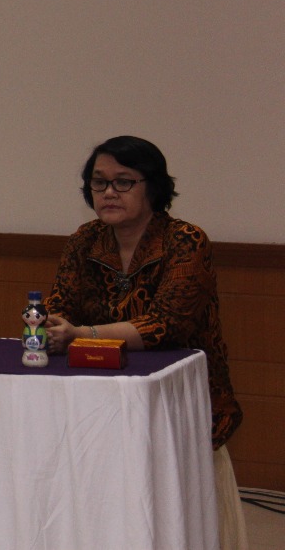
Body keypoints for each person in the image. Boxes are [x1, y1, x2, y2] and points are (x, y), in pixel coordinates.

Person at [44, 135, 245, 549]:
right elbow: (59, 305)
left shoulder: (185, 241)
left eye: (123, 181)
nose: (108, 192)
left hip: (177, 401)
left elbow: (165, 326)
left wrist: (81, 334)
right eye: (99, 182)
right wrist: (48, 324)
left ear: (152, 186)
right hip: (98, 398)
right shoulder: (84, 240)